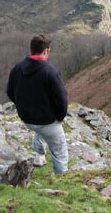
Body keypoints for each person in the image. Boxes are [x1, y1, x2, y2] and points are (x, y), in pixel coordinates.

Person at [7, 34, 69, 175]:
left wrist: (23, 106)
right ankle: (61, 177)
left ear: (32, 49)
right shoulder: (50, 72)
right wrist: (60, 117)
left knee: (41, 130)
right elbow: (61, 99)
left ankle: (39, 156)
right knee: (59, 150)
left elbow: (10, 91)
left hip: (27, 118)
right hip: (46, 120)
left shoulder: (17, 68)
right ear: (46, 50)